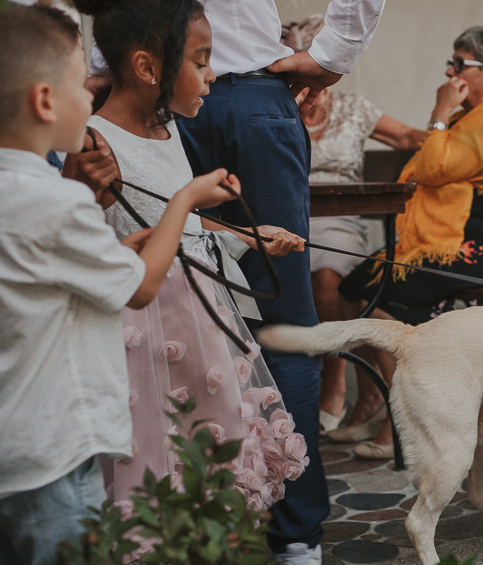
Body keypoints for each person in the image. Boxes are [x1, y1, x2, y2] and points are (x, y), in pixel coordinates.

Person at [0, 3, 237, 565]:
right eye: (83, 83)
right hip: (53, 452)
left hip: (4, 449)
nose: (92, 95)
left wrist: (120, 240)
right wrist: (186, 201)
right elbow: (143, 287)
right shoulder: (57, 203)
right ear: (45, 102)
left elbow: (48, 272)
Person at [65, 0, 310, 514]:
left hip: (204, 325)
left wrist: (248, 235)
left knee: (215, 453)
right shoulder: (94, 145)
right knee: (161, 461)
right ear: (148, 68)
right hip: (145, 337)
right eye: (200, 62)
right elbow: (84, 240)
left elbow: (186, 228)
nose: (212, 75)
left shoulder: (169, 129)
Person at [174, 0, 385, 565]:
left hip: (157, 95)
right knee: (285, 328)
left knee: (174, 320)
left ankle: (197, 531)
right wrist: (331, 53)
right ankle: (295, 543)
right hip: (254, 95)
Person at [334, 26, 483, 461]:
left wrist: (440, 109)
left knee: (387, 299)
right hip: (468, 241)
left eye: (459, 64)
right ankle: (378, 403)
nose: (449, 72)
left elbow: (430, 168)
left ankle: (403, 423)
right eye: (452, 63)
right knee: (358, 285)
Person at [282, 19, 426, 435]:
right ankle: (363, 388)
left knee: (328, 278)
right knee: (304, 276)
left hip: (343, 219)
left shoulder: (353, 107)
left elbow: (405, 139)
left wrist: (449, 126)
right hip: (294, 215)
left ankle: (334, 377)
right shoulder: (280, 106)